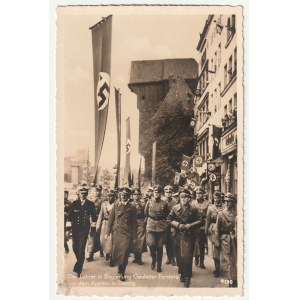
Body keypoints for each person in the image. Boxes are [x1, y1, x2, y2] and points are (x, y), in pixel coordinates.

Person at [167, 189, 204, 288]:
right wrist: (178, 225)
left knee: (187, 257)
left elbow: (201, 220)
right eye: (182, 197)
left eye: (186, 197)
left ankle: (187, 278)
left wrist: (190, 225)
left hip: (189, 235)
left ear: (189, 198)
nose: (183, 199)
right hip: (177, 235)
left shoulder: (194, 209)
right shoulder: (175, 208)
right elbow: (169, 219)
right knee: (179, 257)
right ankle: (182, 273)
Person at [105, 187, 137, 282]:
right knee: (117, 251)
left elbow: (134, 223)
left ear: (128, 197)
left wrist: (134, 236)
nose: (124, 197)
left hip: (127, 233)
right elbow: (111, 220)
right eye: (122, 195)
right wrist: (107, 232)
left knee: (125, 252)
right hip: (117, 231)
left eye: (126, 196)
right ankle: (119, 267)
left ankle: (122, 271)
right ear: (120, 196)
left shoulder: (132, 207)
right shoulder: (115, 205)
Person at [65, 185, 97, 277]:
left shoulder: (90, 204)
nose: (83, 195)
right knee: (75, 247)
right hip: (75, 229)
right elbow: (69, 217)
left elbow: (94, 217)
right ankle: (80, 261)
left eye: (84, 193)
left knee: (81, 248)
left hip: (84, 229)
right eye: (81, 193)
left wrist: (93, 229)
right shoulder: (74, 203)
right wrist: (68, 230)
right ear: (78, 194)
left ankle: (78, 269)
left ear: (87, 194)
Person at [144, 185, 170, 272]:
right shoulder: (149, 202)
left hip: (161, 226)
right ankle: (153, 260)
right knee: (151, 244)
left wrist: (162, 221)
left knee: (159, 246)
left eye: (158, 192)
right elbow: (146, 213)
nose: (156, 193)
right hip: (151, 225)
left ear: (161, 193)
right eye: (155, 192)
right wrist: (151, 219)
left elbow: (167, 213)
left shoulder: (164, 203)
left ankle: (158, 265)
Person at [216, 192, 237, 287]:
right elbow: (217, 229)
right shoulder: (221, 214)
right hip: (225, 238)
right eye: (226, 201)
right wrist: (217, 242)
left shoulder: (237, 213)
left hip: (236, 238)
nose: (228, 203)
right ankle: (231, 279)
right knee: (227, 260)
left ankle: (235, 277)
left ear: (233, 202)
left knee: (235, 259)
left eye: (230, 201)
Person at [205, 191, 224, 277]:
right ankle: (217, 269)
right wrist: (206, 230)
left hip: (223, 229)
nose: (216, 200)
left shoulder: (224, 207)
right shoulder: (210, 208)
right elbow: (208, 219)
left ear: (221, 198)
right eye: (215, 198)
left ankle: (223, 267)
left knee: (222, 249)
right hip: (213, 229)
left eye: (218, 198)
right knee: (215, 250)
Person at [96, 189, 117, 266]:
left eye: (111, 196)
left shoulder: (116, 204)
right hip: (104, 223)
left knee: (111, 240)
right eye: (108, 196)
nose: (109, 197)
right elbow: (100, 215)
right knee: (103, 240)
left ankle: (112, 257)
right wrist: (98, 225)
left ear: (114, 197)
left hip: (113, 224)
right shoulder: (104, 204)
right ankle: (107, 252)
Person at [191, 186, 210, 269]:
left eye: (200, 193)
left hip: (202, 226)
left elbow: (209, 215)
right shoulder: (192, 203)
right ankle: (196, 258)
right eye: (197, 193)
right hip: (194, 226)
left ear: (203, 194)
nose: (198, 195)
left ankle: (201, 262)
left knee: (201, 244)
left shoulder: (207, 203)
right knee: (195, 244)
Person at [86, 185, 104, 261]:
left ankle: (102, 250)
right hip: (92, 220)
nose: (96, 193)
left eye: (98, 191)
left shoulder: (103, 200)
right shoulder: (90, 200)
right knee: (92, 237)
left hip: (101, 220)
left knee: (101, 236)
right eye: (95, 191)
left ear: (100, 192)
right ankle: (91, 255)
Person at [131, 188, 147, 265]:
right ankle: (135, 256)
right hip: (132, 223)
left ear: (140, 195)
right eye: (135, 195)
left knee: (140, 240)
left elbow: (146, 213)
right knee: (133, 239)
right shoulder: (130, 204)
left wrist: (145, 221)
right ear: (132, 196)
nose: (136, 196)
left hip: (140, 222)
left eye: (138, 194)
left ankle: (139, 257)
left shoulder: (143, 203)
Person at [162, 185, 177, 266]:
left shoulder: (175, 201)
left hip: (172, 223)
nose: (168, 194)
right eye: (167, 192)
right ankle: (168, 257)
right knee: (166, 241)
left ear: (172, 193)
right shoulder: (162, 201)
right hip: (164, 223)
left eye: (170, 192)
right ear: (164, 193)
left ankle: (173, 259)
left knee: (173, 241)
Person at [64, 189, 72, 254]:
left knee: (64, 235)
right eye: (64, 194)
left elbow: (71, 212)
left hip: (66, 220)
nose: (65, 195)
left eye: (66, 194)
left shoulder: (69, 203)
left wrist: (67, 214)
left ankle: (66, 247)